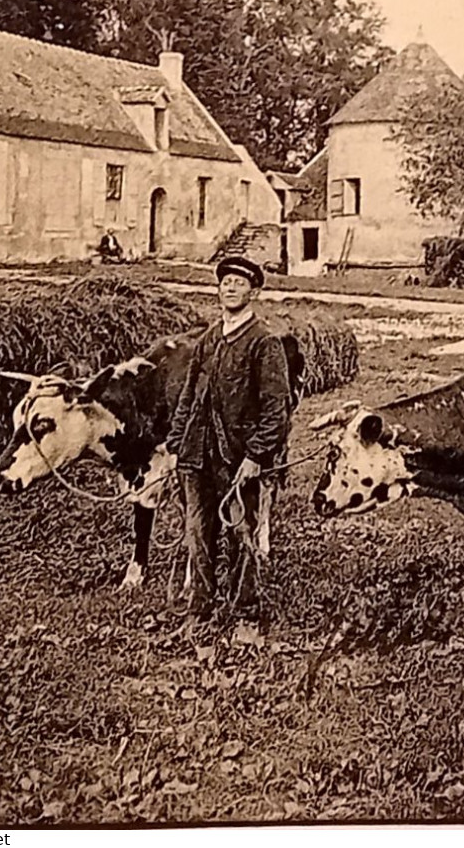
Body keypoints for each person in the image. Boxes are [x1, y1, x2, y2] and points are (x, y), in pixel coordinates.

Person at [166, 255, 292, 644]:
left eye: (240, 282)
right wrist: (176, 445)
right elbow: (188, 397)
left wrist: (256, 456)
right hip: (196, 456)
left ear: (253, 291)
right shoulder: (208, 340)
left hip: (238, 459)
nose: (231, 287)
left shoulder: (263, 342)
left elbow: (277, 407)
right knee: (197, 536)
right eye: (226, 281)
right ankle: (199, 611)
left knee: (242, 536)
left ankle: (246, 617)